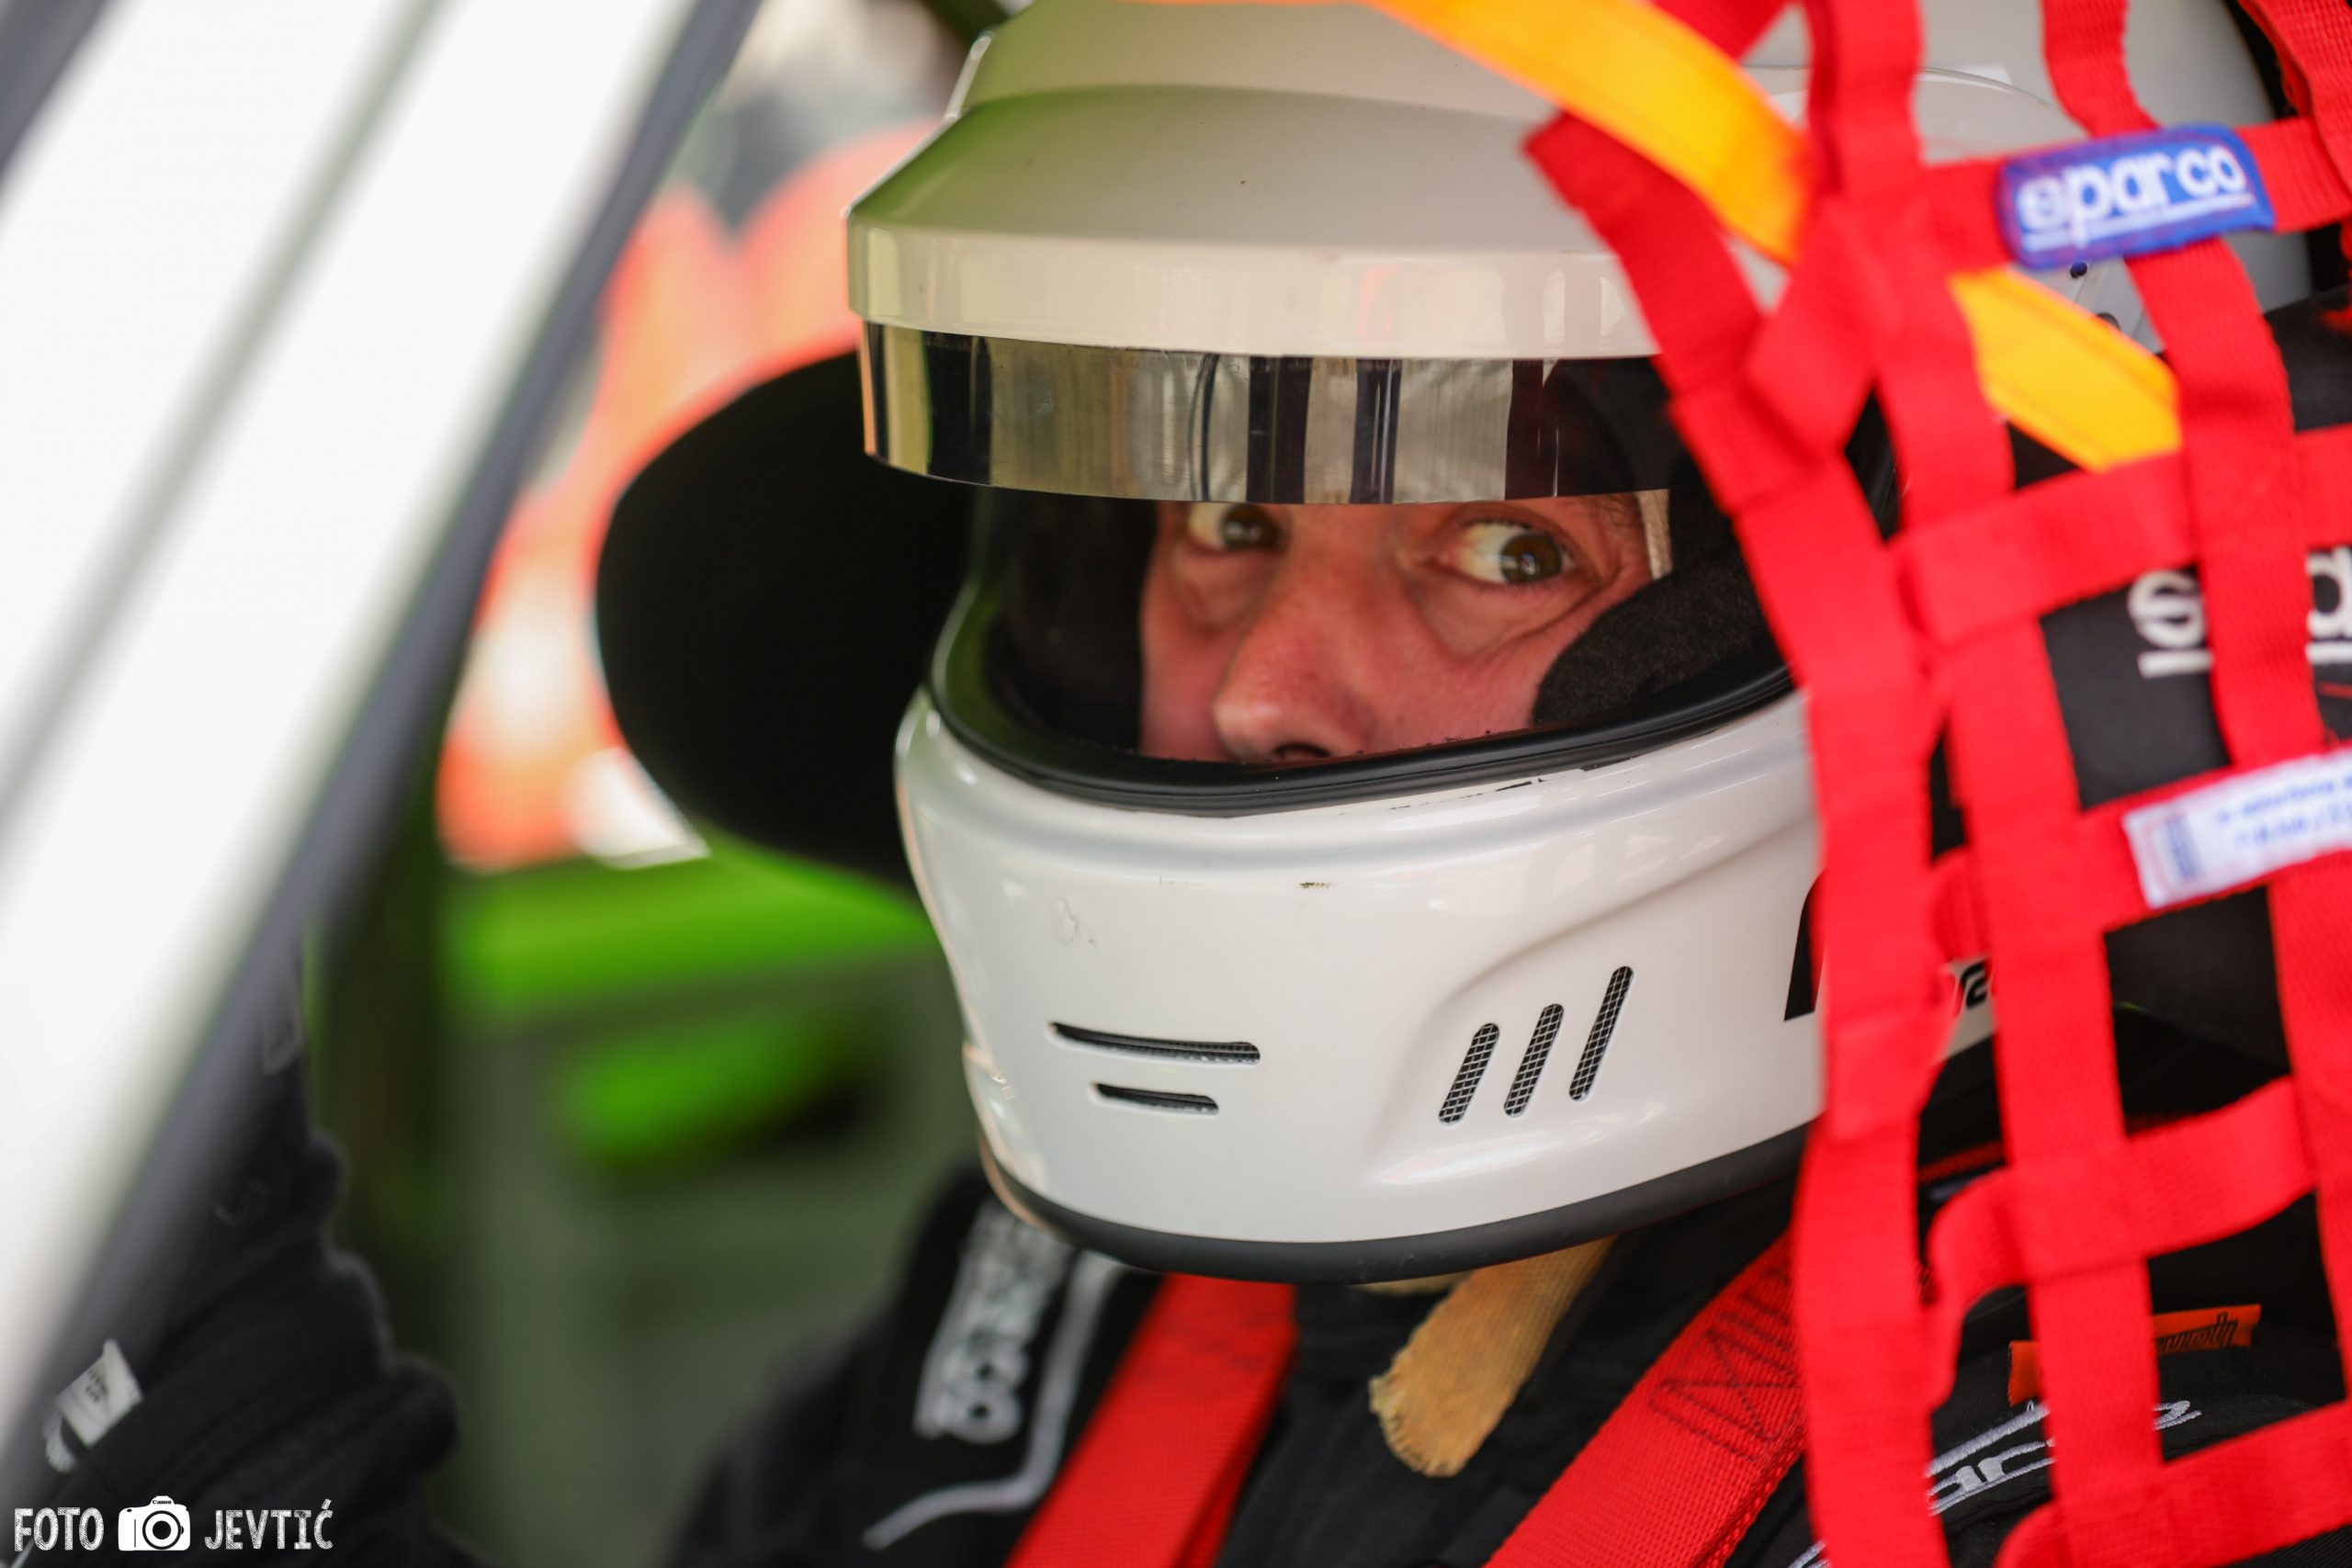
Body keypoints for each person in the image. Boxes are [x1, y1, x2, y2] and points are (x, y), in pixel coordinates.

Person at [14, 0, 2350, 1564]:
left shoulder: (2158, 1451)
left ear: (1970, 592)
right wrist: (170, 1377)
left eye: (1504, 543)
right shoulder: (1092, 1287)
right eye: (1216, 510)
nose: (1255, 693)